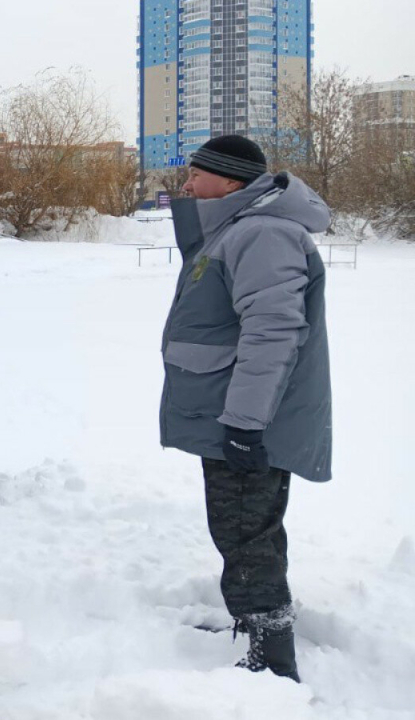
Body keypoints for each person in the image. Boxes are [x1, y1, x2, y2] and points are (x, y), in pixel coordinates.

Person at [162, 134, 333, 683]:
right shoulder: (243, 228)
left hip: (244, 417)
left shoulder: (261, 233)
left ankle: (272, 656)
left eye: (196, 174)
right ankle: (259, 621)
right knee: (248, 525)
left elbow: (273, 333)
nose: (186, 184)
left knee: (244, 529)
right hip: (231, 409)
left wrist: (244, 423)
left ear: (230, 181)